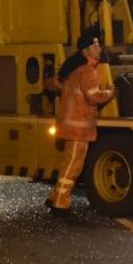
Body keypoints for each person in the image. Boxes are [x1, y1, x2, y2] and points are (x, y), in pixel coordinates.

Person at [44, 26, 115, 215]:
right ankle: (60, 203)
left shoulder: (72, 69)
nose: (99, 50)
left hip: (70, 125)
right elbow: (95, 97)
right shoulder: (87, 71)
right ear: (86, 50)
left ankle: (55, 197)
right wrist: (111, 91)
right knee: (73, 165)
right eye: (96, 46)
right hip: (80, 127)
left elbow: (54, 84)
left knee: (68, 163)